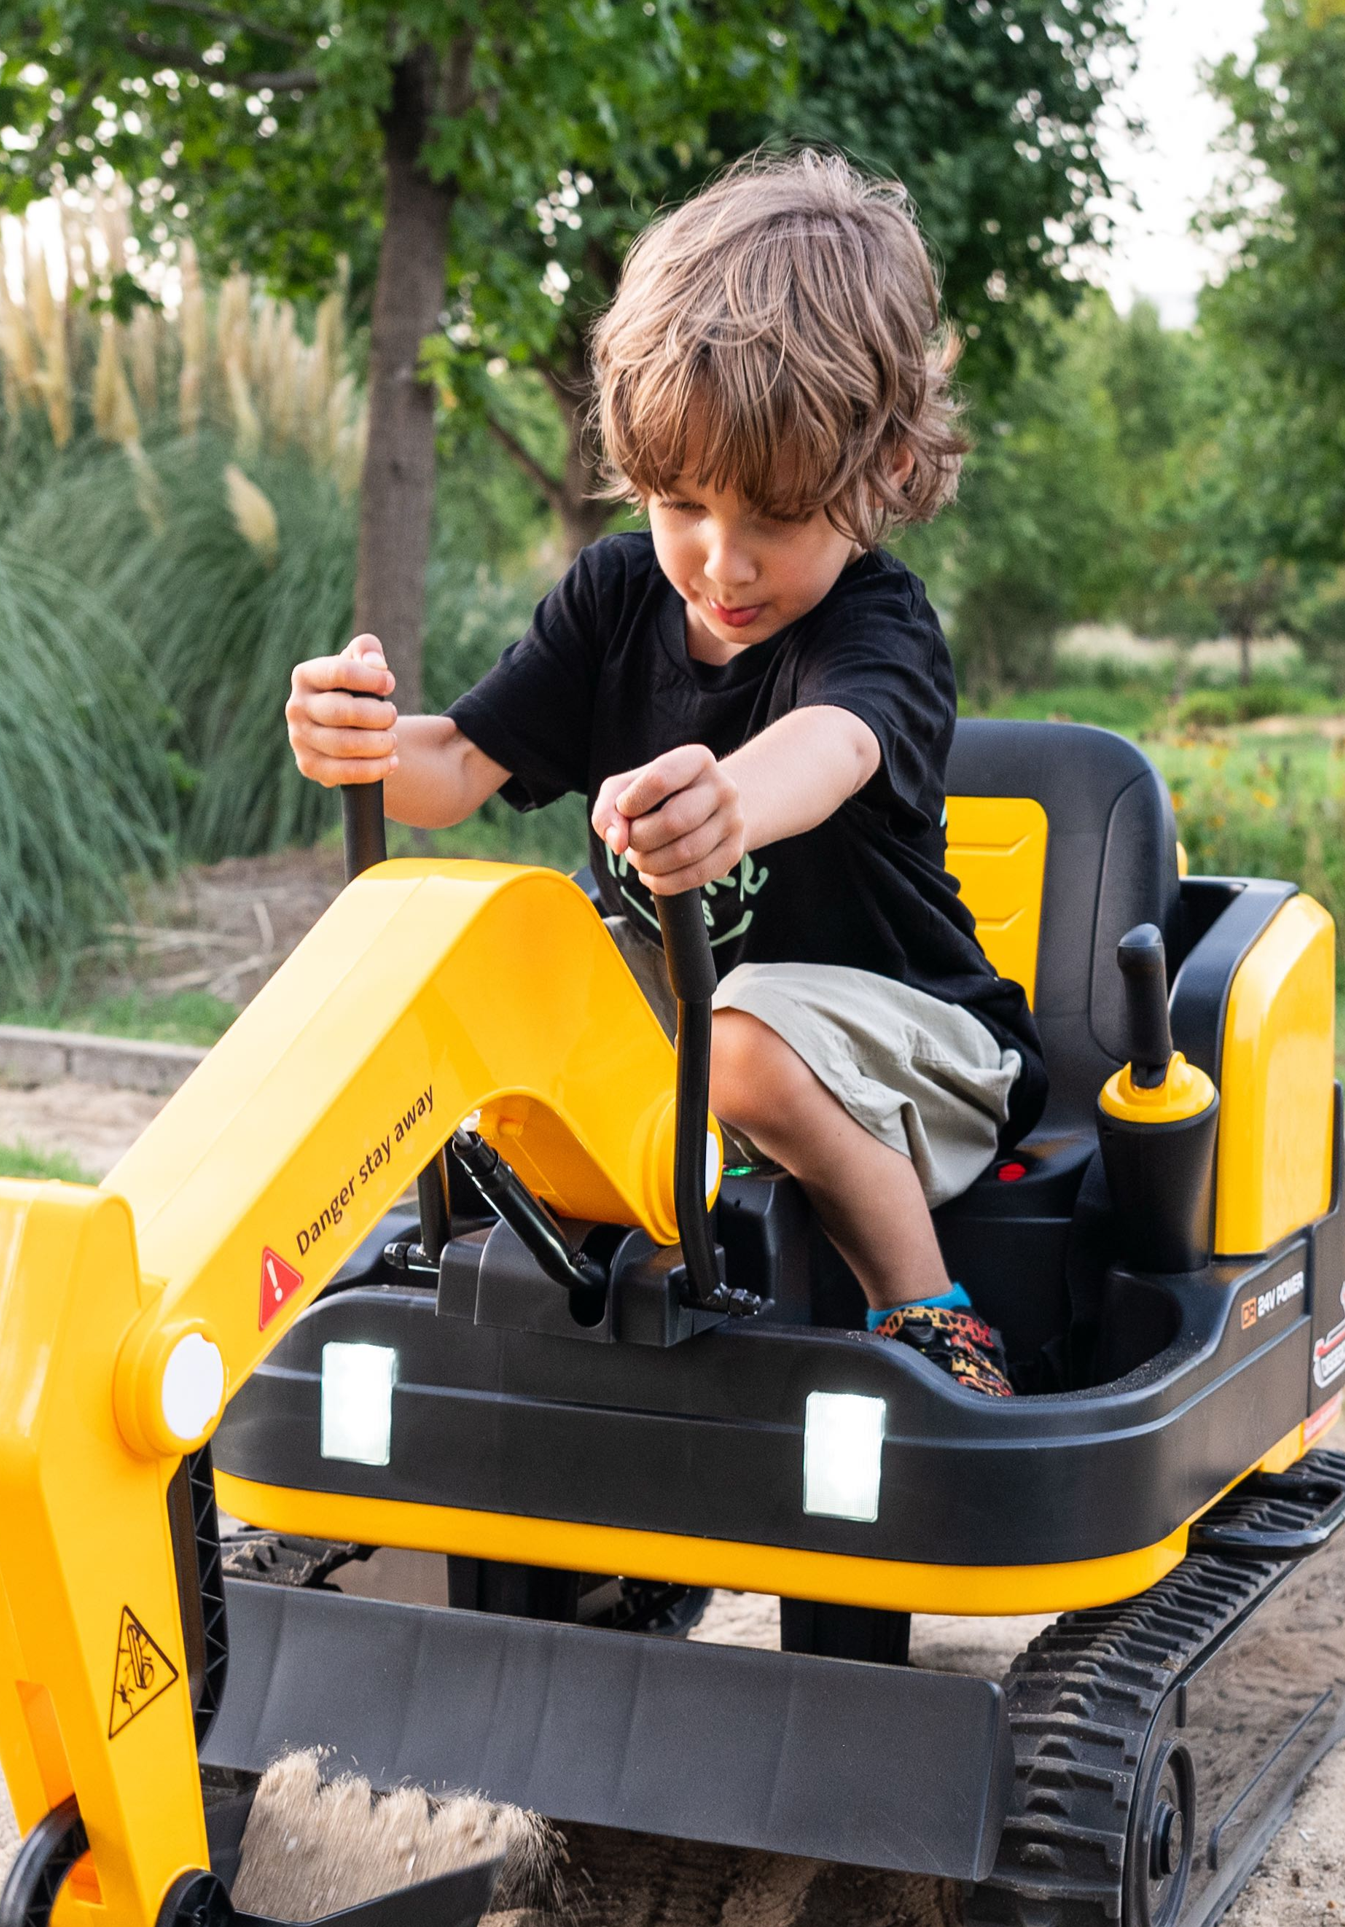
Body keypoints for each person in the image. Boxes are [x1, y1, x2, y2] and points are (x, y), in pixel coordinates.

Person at [284, 149, 1042, 1397]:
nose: (722, 563)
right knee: (501, 992)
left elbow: (837, 744)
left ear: (889, 473)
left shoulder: (878, 626)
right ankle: (464, 1298)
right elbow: (458, 763)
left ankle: (933, 1315)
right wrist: (362, 741)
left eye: (778, 517)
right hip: (679, 1057)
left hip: (917, 1056)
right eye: (684, 502)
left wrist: (731, 801)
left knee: (734, 1041)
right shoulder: (617, 592)